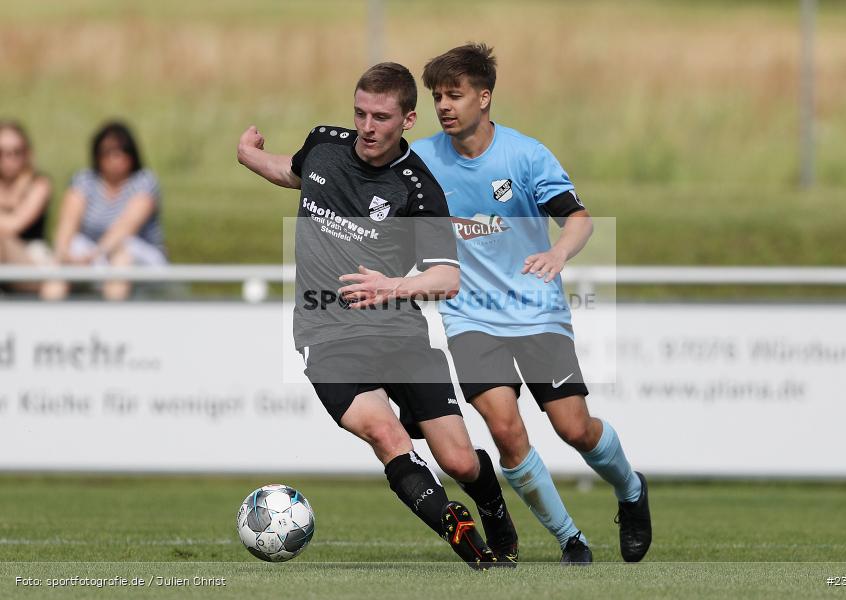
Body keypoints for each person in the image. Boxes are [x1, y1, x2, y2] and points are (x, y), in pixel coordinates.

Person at [236, 62, 518, 570]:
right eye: (360, 113)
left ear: (408, 119)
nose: (367, 127)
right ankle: (456, 528)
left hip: (399, 333)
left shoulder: (417, 188)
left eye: (381, 117)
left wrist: (394, 286)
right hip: (327, 335)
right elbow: (292, 173)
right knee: (385, 435)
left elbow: (447, 278)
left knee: (457, 459)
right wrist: (248, 155)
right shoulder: (323, 144)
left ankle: (492, 505)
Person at [412, 43, 652, 564]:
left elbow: (579, 218)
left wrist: (558, 252)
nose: (445, 106)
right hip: (470, 316)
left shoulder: (524, 155)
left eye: (455, 95)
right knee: (504, 429)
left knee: (574, 429)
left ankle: (631, 491)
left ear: (485, 97)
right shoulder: (424, 160)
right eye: (437, 98)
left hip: (536, 310)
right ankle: (572, 540)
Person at [52, 121, 166, 301]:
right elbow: (67, 225)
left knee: (122, 254)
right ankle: (49, 317)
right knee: (62, 260)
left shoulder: (144, 181)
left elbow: (125, 229)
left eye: (122, 151)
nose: (115, 158)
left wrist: (94, 256)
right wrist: (65, 255)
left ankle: (112, 322)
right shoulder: (84, 180)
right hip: (94, 254)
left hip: (136, 256)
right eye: (107, 152)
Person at [0, 121, 56, 298]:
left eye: (16, 152)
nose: (9, 159)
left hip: (32, 260)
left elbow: (14, 226)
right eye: (2, 153)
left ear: (27, 154)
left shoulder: (39, 184)